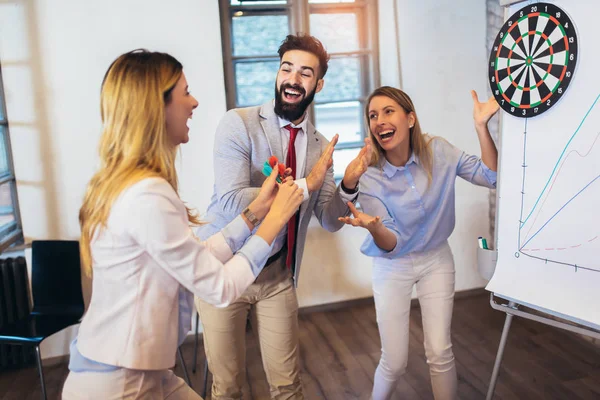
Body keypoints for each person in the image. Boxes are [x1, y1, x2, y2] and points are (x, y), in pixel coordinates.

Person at [61, 49, 304, 400]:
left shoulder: (135, 185)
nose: (194, 102)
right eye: (185, 92)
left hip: (141, 371)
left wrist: (256, 213)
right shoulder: (146, 195)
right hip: (119, 384)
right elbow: (218, 287)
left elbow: (193, 257)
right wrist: (277, 218)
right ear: (155, 107)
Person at [195, 34, 372, 399]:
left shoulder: (321, 146)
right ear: (278, 74)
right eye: (286, 68)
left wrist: (349, 183)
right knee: (227, 386)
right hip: (222, 269)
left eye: (305, 73)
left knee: (288, 386)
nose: (293, 79)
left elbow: (327, 218)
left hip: (276, 276)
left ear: (318, 84)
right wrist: (305, 185)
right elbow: (230, 200)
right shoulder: (238, 124)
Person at [339, 86, 499, 400]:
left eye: (388, 112)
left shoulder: (438, 150)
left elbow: (491, 177)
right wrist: (374, 228)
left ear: (410, 118)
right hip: (392, 266)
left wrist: (481, 126)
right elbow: (392, 244)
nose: (379, 121)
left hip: (436, 259)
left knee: (440, 352)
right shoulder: (369, 177)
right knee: (395, 362)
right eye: (373, 115)